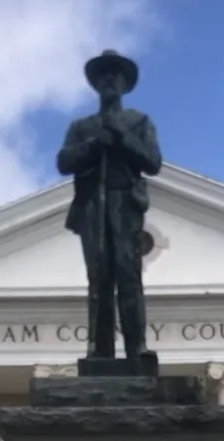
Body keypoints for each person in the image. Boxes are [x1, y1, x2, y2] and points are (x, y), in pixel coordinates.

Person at [56, 49, 162, 362]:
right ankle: (99, 351)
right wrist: (96, 142)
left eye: (115, 73)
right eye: (103, 73)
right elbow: (64, 161)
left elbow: (153, 161)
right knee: (99, 277)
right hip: (92, 205)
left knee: (128, 275)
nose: (109, 79)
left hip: (125, 203)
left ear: (125, 82)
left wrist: (122, 137)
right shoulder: (82, 126)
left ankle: (136, 349)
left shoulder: (139, 122)